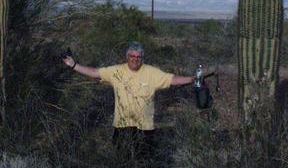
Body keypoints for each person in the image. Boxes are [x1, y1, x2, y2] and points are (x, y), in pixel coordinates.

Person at [62, 42, 196, 161]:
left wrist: (192, 79)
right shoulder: (116, 71)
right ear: (127, 57)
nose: (135, 59)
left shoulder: (152, 72)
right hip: (122, 126)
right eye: (132, 56)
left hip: (145, 127)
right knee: (122, 161)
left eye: (138, 57)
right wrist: (73, 65)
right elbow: (95, 72)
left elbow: (172, 79)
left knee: (144, 162)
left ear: (142, 58)